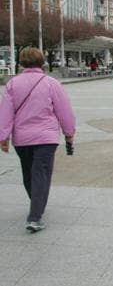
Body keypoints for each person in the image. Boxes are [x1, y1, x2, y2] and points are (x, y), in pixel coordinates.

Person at [0, 47, 76, 232]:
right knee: (41, 173)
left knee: (28, 172)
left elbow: (5, 112)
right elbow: (63, 109)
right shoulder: (51, 83)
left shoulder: (12, 84)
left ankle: (36, 205)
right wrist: (69, 132)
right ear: (42, 61)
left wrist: (3, 137)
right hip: (46, 138)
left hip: (22, 139)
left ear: (22, 62)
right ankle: (35, 216)